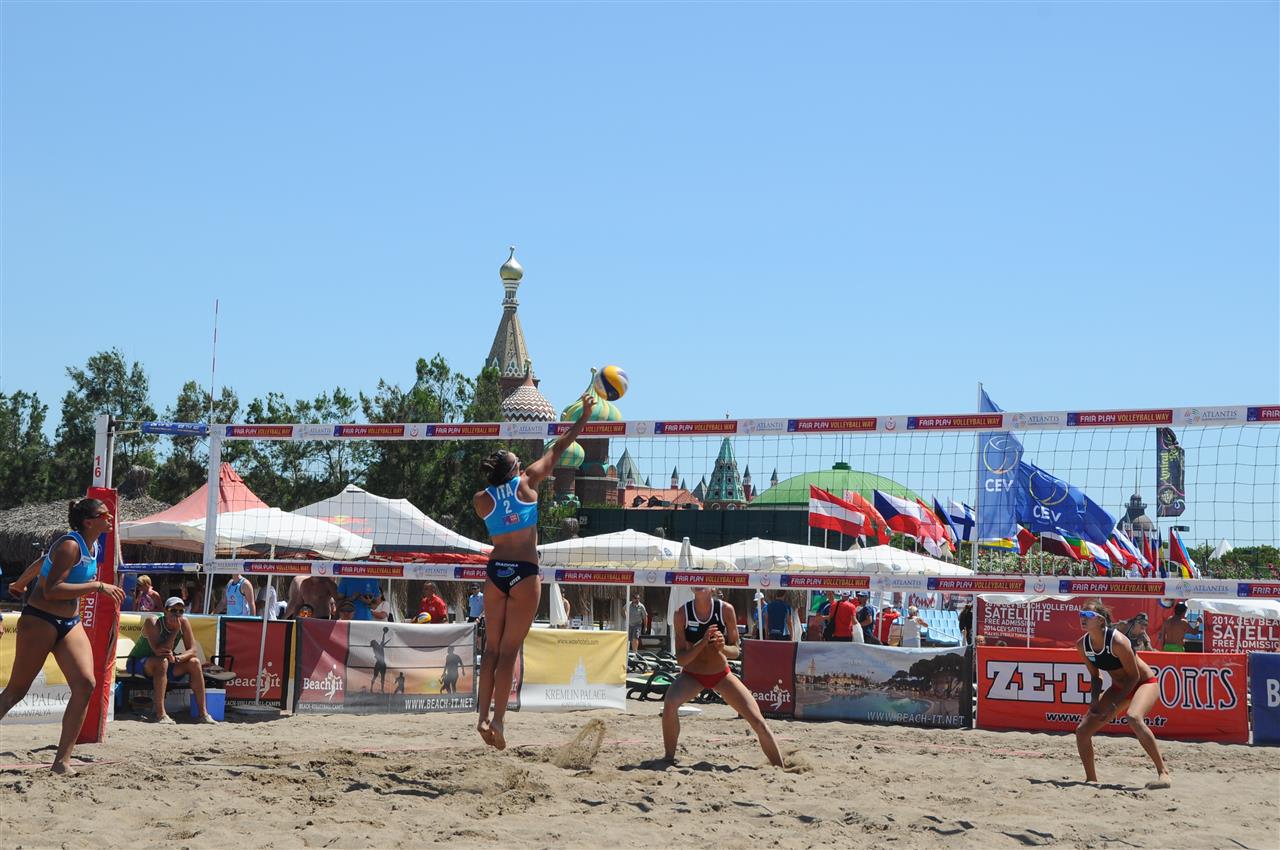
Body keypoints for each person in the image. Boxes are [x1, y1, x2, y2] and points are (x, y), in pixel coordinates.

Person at [471, 391, 594, 750]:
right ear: (513, 469)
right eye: (517, 460)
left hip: (497, 571)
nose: (521, 460)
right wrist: (584, 417)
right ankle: (499, 720)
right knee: (509, 652)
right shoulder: (526, 483)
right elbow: (559, 447)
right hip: (525, 572)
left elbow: (495, 491)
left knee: (491, 651)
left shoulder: (481, 500)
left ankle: (481, 718)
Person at [0, 499, 126, 773]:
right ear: (89, 522)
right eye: (104, 514)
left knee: (85, 684)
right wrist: (98, 586)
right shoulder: (70, 545)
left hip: (69, 622)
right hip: (40, 619)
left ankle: (62, 762)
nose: (110, 517)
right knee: (15, 692)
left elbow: (44, 561)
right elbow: (52, 590)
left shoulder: (94, 545)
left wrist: (21, 582)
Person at [661, 586, 784, 767]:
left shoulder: (725, 609)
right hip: (692, 675)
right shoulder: (681, 613)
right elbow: (681, 659)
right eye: (696, 578)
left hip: (721, 674)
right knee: (670, 704)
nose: (699, 582)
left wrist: (722, 647)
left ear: (713, 587)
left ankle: (780, 768)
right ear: (691, 586)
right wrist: (702, 642)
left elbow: (736, 651)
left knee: (758, 721)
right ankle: (668, 758)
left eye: (705, 578)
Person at [1074, 600, 1170, 789]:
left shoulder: (1117, 641)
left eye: (1088, 615)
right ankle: (1091, 779)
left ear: (1100, 621)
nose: (1083, 618)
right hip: (1120, 687)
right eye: (1081, 615)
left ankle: (1163, 773)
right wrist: (1094, 700)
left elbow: (1134, 677)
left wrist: (1113, 705)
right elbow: (1096, 676)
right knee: (1082, 731)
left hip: (1143, 683)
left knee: (1133, 717)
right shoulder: (1083, 645)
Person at [127, 597, 219, 724]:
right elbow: (159, 651)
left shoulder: (184, 622)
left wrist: (177, 658)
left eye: (181, 611)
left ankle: (203, 714)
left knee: (195, 663)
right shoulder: (152, 621)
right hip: (137, 662)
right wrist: (175, 630)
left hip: (163, 662)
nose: (177, 614)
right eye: (173, 610)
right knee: (162, 661)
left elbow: (193, 650)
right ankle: (161, 715)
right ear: (165, 611)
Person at [370, 628, 391, 692]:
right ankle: (378, 689)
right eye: (375, 642)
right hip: (381, 664)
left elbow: (382, 641)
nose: (377, 642)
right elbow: (382, 641)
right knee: (380, 677)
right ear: (375, 644)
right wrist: (384, 634)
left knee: (377, 676)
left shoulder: (377, 648)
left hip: (380, 663)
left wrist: (384, 634)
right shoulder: (378, 647)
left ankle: (373, 689)